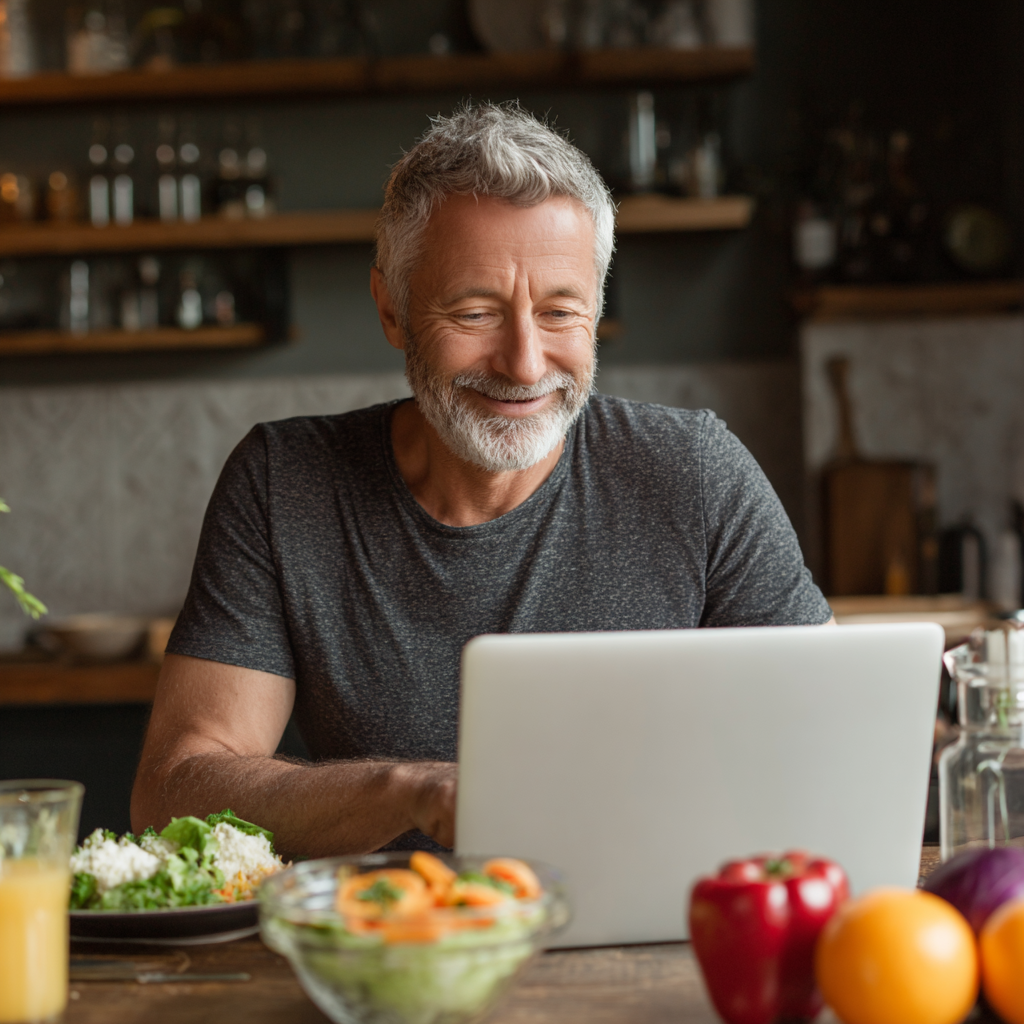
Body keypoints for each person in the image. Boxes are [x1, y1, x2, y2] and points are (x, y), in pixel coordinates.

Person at [131, 103, 832, 857]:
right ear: (392, 311)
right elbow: (175, 793)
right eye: (474, 313)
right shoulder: (285, 483)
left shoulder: (695, 472)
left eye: (561, 312)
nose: (525, 365)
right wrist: (418, 793)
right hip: (396, 950)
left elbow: (831, 741)